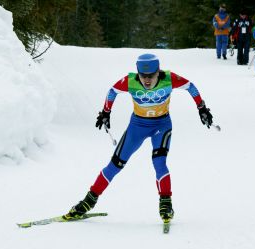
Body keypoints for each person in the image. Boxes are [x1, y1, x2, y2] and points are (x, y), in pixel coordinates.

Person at [63, 54, 215, 223]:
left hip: (161, 125)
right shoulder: (130, 81)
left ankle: (165, 203)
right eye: (143, 76)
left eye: (151, 76)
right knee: (115, 165)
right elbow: (113, 91)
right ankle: (88, 202)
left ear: (159, 72)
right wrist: (106, 112)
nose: (147, 80)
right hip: (137, 127)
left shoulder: (170, 78)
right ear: (138, 74)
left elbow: (190, 87)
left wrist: (202, 108)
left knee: (159, 162)